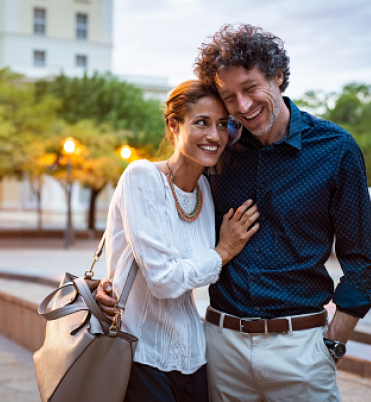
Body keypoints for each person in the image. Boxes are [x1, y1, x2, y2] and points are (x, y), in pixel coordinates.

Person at [99, 24, 371, 401]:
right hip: (220, 348)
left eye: (250, 88)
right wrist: (109, 282)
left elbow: (362, 261)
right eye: (229, 97)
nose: (243, 107)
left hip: (301, 349)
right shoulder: (216, 152)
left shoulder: (336, 149)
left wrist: (332, 346)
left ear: (278, 76)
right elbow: (155, 217)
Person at [102, 79, 260, 402]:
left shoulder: (204, 190)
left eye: (222, 125)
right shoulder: (141, 178)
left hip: (194, 358)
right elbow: (162, 281)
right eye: (201, 122)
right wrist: (223, 252)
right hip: (142, 356)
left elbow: (183, 275)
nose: (214, 136)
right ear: (174, 126)